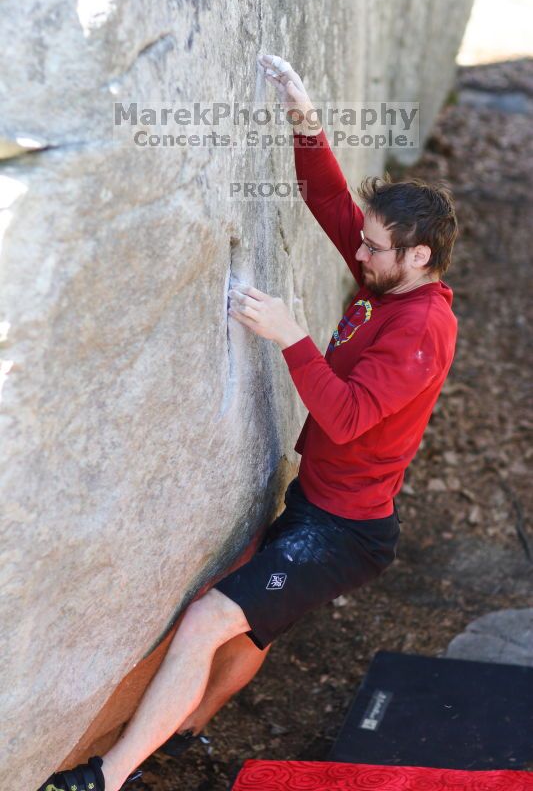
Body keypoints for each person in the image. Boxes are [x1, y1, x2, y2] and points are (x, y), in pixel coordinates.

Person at [37, 54, 458, 791]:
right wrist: (304, 115)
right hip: (318, 506)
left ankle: (107, 776)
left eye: (372, 247)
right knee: (255, 622)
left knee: (209, 620)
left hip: (344, 532)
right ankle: (186, 727)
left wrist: (290, 333)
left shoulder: (421, 329)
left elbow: (348, 414)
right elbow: (328, 199)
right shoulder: (386, 278)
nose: (356, 252)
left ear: (418, 257)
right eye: (362, 240)